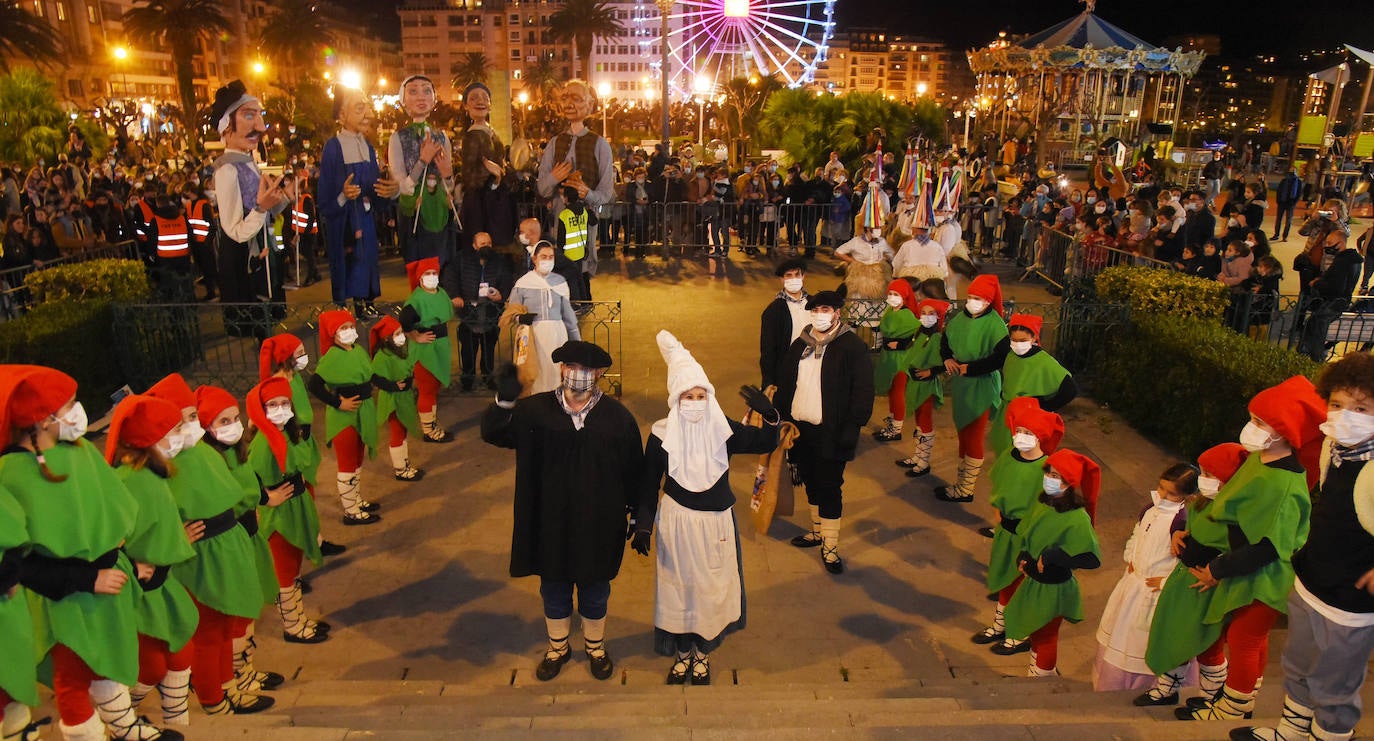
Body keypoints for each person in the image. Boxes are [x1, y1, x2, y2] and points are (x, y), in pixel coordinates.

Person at [0, 366, 172, 740]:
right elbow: (17, 559)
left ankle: (123, 726)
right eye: (70, 405)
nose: (79, 412)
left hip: (106, 587)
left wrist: (130, 561)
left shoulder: (78, 451)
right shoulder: (11, 473)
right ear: (42, 419)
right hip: (64, 597)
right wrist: (87, 578)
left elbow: (111, 516)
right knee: (73, 673)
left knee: (107, 661)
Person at [1229, 356, 1373, 740]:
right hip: (1311, 581)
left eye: (1361, 409)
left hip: (1350, 601)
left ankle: (1330, 735)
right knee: (1298, 664)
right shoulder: (1334, 450)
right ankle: (1291, 730)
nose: (1345, 416)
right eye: (1338, 404)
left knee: (1336, 683)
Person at [481, 341, 644, 682]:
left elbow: (634, 471)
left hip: (599, 522)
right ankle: (558, 647)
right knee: (554, 587)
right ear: (560, 369)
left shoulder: (618, 419)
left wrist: (639, 517)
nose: (576, 374)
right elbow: (494, 433)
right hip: (549, 521)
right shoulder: (534, 412)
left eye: (585, 369)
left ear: (598, 373)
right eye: (570, 366)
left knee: (595, 588)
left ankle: (595, 647)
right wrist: (504, 402)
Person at [631, 331, 779, 685]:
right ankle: (682, 653)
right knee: (679, 589)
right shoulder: (661, 435)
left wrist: (771, 415)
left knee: (710, 590)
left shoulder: (722, 429)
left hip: (715, 525)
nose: (695, 402)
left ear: (709, 397)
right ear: (676, 399)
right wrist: (643, 525)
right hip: (677, 524)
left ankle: (702, 655)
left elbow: (766, 440)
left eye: (701, 395)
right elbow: (648, 485)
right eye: (688, 396)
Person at [1175, 376, 1325, 722]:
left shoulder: (1283, 482)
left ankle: (1233, 708)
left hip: (1263, 575)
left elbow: (1269, 547)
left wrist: (1217, 569)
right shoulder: (1262, 460)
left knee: (1244, 639)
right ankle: (1243, 696)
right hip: (1247, 568)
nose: (1250, 428)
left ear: (1285, 430)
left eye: (1260, 422)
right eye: (1252, 418)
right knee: (1251, 639)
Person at [145, 373, 276, 716]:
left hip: (223, 547)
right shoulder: (165, 464)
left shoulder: (201, 452)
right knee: (207, 634)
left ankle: (228, 686)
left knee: (222, 629)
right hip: (199, 556)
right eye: (184, 419)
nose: (192, 425)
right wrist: (177, 535)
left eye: (193, 416)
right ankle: (212, 699)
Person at [104, 395, 200, 729]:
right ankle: (122, 722)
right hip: (141, 592)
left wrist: (175, 539)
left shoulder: (151, 474)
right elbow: (109, 536)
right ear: (149, 439)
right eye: (173, 431)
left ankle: (176, 722)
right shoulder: (129, 481)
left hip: (161, 584)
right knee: (151, 666)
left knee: (181, 654)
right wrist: (131, 566)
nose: (180, 436)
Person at [1136, 443, 1249, 708]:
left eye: (1209, 474)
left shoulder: (1237, 514)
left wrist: (1217, 572)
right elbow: (1192, 528)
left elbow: (1239, 551)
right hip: (1182, 581)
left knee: (1205, 644)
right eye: (1202, 472)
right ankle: (1167, 688)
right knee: (1173, 635)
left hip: (1205, 586)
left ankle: (1212, 695)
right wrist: (1180, 533)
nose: (1202, 479)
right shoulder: (1200, 504)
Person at [772, 290, 875, 574]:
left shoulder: (852, 346)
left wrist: (852, 428)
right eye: (815, 310)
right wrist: (778, 416)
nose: (819, 315)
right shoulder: (801, 343)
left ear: (837, 313)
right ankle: (817, 531)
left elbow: (863, 391)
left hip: (832, 431)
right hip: (800, 429)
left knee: (829, 486)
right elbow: (786, 382)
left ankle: (830, 546)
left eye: (825, 310)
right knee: (810, 480)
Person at [194, 384, 284, 697]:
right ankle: (235, 676)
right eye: (223, 421)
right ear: (206, 427)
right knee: (236, 617)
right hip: (231, 543)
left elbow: (249, 486)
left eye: (235, 418)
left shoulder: (236, 450)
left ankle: (243, 670)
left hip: (248, 537)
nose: (233, 426)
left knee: (247, 613)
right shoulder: (209, 460)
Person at [1092, 463, 1199, 692]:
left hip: (1155, 594)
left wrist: (1166, 582)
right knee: (1122, 635)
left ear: (1187, 496)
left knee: (1141, 643)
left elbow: (1187, 563)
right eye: (1161, 488)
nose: (1162, 496)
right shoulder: (1149, 510)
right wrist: (1131, 556)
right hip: (1133, 585)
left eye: (1171, 493)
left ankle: (1143, 687)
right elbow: (1137, 534)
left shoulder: (1182, 523)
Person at [972, 397, 1065, 656]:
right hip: (1006, 531)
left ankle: (1020, 632)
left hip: (1028, 537)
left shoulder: (1047, 470)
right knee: (1005, 579)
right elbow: (998, 483)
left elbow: (1049, 508)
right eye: (1019, 431)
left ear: (1041, 436)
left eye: (1028, 433)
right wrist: (997, 510)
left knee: (1024, 584)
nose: (1021, 437)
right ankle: (1001, 625)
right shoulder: (1009, 456)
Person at [246, 376, 331, 648]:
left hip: (294, 506)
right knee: (284, 570)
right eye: (273, 405)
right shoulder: (263, 442)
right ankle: (293, 625)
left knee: (293, 567)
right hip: (279, 515)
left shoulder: (287, 434)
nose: (280, 409)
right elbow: (248, 478)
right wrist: (266, 497)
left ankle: (298, 618)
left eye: (285, 403)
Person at [1003, 448, 1102, 678]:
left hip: (1054, 589)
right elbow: (1028, 534)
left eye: (1056, 476)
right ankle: (1038, 673)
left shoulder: (1077, 517)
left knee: (1046, 636)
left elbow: (1091, 558)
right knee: (1036, 634)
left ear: (1069, 482)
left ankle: (1041, 679)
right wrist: (1024, 556)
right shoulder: (1044, 503)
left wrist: (1053, 557)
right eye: (1048, 472)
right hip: (1035, 582)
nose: (1049, 479)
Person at [207, 81, 287, 337]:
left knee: (267, 321)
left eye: (259, 116)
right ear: (226, 126)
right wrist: (262, 209)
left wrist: (283, 198)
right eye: (249, 116)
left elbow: (262, 206)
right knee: (259, 326)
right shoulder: (227, 169)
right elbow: (235, 231)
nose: (260, 127)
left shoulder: (248, 162)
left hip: (261, 249)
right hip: (244, 258)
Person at [320, 88, 398, 314]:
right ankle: (347, 309)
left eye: (366, 107)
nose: (367, 114)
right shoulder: (333, 148)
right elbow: (324, 198)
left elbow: (374, 189)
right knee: (350, 261)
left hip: (365, 218)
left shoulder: (368, 147)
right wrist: (343, 196)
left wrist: (388, 191)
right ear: (342, 115)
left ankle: (367, 302)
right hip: (344, 221)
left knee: (368, 258)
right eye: (359, 108)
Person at [935, 275, 1009, 503]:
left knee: (974, 436)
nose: (972, 302)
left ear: (988, 301)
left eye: (978, 298)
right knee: (963, 433)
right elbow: (945, 341)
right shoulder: (960, 318)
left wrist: (973, 368)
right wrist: (947, 358)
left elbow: (1000, 358)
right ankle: (960, 484)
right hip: (962, 384)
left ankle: (966, 489)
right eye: (970, 297)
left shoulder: (995, 324)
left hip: (982, 385)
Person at [536, 81, 613, 300]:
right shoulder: (554, 143)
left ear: (589, 104)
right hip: (559, 220)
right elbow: (542, 187)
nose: (569, 103)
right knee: (561, 267)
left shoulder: (599, 144)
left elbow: (606, 192)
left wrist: (587, 193)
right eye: (565, 98)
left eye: (577, 99)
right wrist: (554, 178)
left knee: (581, 272)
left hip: (584, 224)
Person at [308, 310, 380, 525]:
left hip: (363, 411)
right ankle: (351, 512)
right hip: (344, 417)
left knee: (357, 458)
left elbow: (370, 374)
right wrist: (338, 403)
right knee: (347, 461)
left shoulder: (358, 350)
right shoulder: (331, 357)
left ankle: (355, 500)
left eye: (350, 327)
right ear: (334, 333)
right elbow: (314, 385)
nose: (349, 331)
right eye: (343, 328)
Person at [389, 75, 456, 288]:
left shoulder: (442, 137)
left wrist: (448, 176)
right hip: (415, 214)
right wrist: (422, 161)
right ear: (403, 100)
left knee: (443, 267)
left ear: (434, 99)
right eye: (413, 91)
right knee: (419, 269)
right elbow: (402, 186)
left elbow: (449, 185)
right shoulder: (398, 138)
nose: (421, 97)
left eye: (427, 91)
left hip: (440, 213)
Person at [989, 314, 1076, 456]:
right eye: (1014, 340)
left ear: (1034, 337)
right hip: (1007, 411)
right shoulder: (1011, 355)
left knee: (1022, 454)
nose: (1018, 344)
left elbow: (1070, 390)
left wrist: (1043, 406)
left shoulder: (1044, 361)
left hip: (1027, 417)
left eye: (1023, 340)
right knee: (1003, 450)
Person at [509, 242, 581, 395]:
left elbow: (568, 316)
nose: (547, 260)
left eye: (551, 257)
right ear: (534, 259)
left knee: (557, 371)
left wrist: (576, 342)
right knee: (538, 373)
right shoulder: (523, 283)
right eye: (543, 256)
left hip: (558, 335)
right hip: (535, 337)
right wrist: (520, 318)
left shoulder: (560, 282)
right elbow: (512, 311)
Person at [445, 232, 513, 391]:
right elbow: (450, 277)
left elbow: (507, 279)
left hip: (491, 312)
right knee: (468, 350)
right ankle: (467, 381)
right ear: (474, 246)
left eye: (489, 243)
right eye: (483, 244)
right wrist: (455, 295)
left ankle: (488, 377)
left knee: (489, 349)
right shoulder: (461, 259)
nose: (486, 247)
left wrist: (501, 295)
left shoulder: (500, 261)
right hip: (468, 313)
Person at [399, 257, 456, 443]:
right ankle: (429, 430)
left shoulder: (440, 292)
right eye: (427, 274)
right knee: (427, 390)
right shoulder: (416, 299)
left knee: (433, 388)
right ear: (420, 277)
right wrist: (415, 336)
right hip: (426, 350)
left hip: (439, 346)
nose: (432, 276)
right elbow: (405, 321)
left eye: (434, 273)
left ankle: (431, 424)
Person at [458, 82, 517, 248]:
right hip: (481, 204)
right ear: (466, 106)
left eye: (485, 98)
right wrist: (491, 174)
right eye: (474, 98)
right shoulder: (471, 136)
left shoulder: (492, 132)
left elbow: (501, 164)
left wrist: (505, 172)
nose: (480, 101)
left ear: (490, 105)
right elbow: (469, 176)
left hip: (496, 200)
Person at [896, 298, 950, 476]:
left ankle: (924, 462)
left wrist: (931, 371)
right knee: (919, 421)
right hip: (915, 383)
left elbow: (946, 361)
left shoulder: (938, 337)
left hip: (927, 385)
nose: (926, 317)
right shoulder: (918, 333)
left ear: (939, 316)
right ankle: (917, 456)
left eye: (931, 313)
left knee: (925, 421)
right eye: (924, 313)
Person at [368, 316, 424, 482]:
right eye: (397, 333)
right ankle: (401, 469)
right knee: (397, 432)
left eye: (401, 332)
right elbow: (374, 377)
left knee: (403, 431)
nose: (402, 336)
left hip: (404, 396)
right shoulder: (382, 356)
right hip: (393, 400)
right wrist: (392, 385)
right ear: (387, 338)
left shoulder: (400, 350)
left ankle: (404, 464)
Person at [873, 279, 919, 442]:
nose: (892, 297)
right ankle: (893, 421)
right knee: (892, 391)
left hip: (900, 360)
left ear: (904, 297)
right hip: (889, 357)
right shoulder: (890, 311)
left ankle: (896, 428)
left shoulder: (907, 315)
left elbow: (918, 335)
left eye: (896, 294)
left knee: (898, 392)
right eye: (890, 294)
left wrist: (901, 344)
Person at [758, 258, 810, 389]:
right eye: (789, 275)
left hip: (814, 366)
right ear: (782, 279)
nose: (794, 279)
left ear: (803, 276)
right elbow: (768, 350)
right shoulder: (774, 311)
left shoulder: (814, 304)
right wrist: (768, 382)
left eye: (797, 274)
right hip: (788, 369)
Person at [835, 227, 894, 302]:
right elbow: (838, 252)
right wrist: (853, 261)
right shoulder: (857, 241)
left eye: (879, 227)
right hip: (860, 276)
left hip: (878, 276)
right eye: (876, 228)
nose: (879, 230)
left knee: (879, 299)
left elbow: (891, 254)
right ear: (868, 229)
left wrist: (886, 257)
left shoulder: (882, 241)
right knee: (859, 300)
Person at [1273, 167, 1302, 242]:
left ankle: (1285, 236)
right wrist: (1278, 200)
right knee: (1278, 219)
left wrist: (1294, 202)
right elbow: (1279, 190)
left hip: (1290, 204)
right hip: (1282, 202)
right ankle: (1276, 234)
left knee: (1288, 221)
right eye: (1291, 170)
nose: (1292, 172)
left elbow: (1299, 193)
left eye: (1294, 171)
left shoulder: (1298, 182)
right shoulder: (1284, 180)